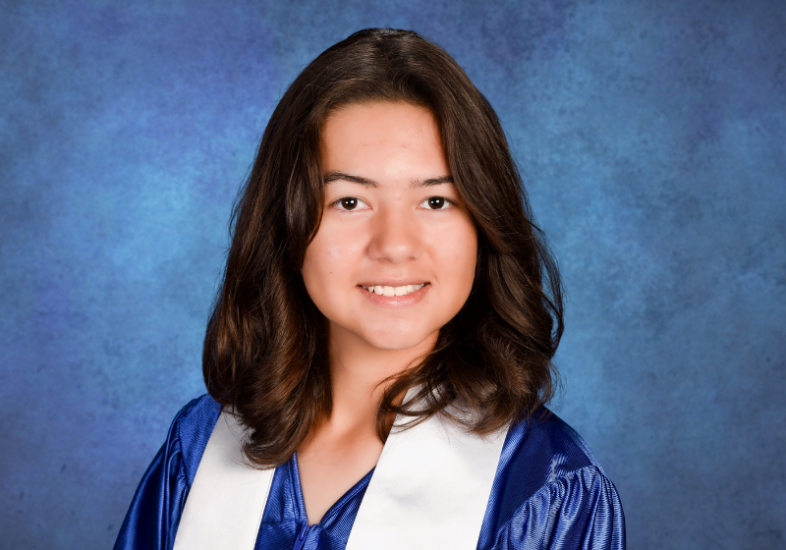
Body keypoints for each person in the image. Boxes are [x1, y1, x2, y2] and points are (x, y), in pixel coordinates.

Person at [114, 28, 625, 550]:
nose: (395, 246)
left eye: (436, 202)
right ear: (285, 227)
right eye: (350, 202)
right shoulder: (199, 446)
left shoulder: (545, 488)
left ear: (483, 228)